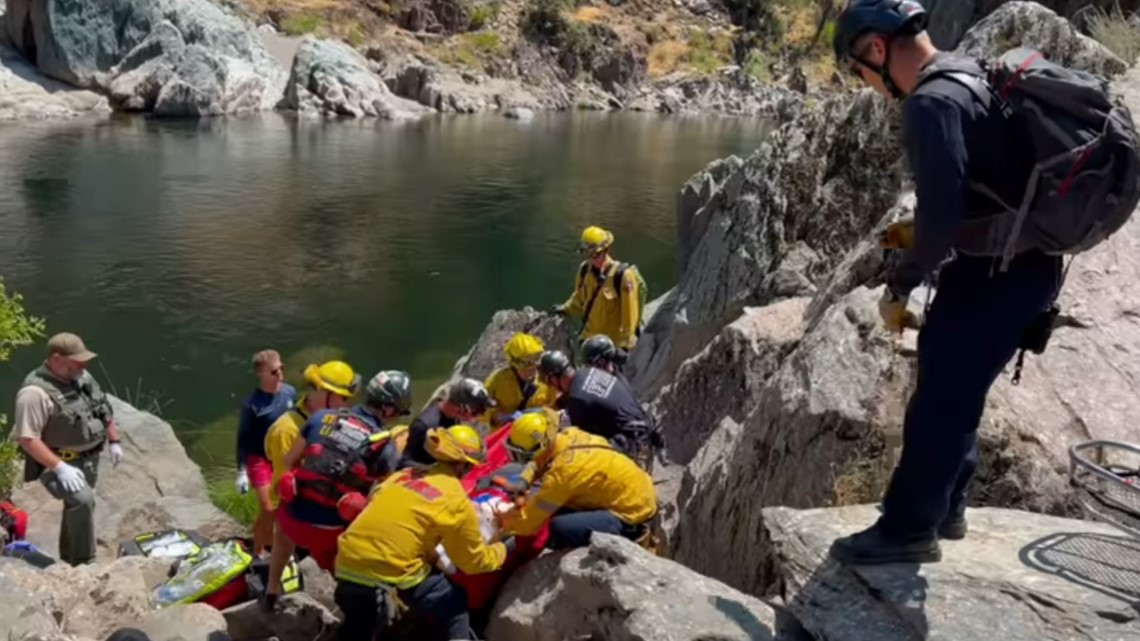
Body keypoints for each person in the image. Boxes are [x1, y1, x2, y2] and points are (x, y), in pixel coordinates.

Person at [828, 0, 1062, 565]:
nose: (865, 82)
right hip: (1026, 267)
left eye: (858, 68)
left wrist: (899, 285)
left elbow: (942, 218)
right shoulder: (970, 72)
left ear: (877, 50)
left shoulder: (930, 103)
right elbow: (984, 182)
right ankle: (950, 506)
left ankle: (908, 529)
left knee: (938, 401)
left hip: (995, 274)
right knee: (957, 383)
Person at [334, 425, 511, 641]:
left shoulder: (403, 475)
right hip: (390, 570)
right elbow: (472, 561)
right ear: (465, 464)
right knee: (454, 602)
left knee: (357, 626)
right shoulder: (454, 498)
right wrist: (502, 549)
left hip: (347, 562)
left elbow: (382, 508)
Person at [263, 370, 414, 607]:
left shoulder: (321, 418)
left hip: (292, 523)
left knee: (283, 522)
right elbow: (383, 497)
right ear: (390, 410)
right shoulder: (384, 445)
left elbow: (289, 462)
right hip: (330, 535)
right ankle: (346, 604)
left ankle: (272, 590)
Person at [10, 333, 122, 566]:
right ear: (56, 359)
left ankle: (69, 557)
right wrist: (60, 468)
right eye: (77, 361)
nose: (84, 365)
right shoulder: (34, 394)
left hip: (89, 458)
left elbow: (102, 407)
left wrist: (114, 441)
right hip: (56, 462)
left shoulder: (82, 377)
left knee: (77, 508)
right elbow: (27, 438)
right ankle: (85, 563)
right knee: (82, 501)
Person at [500, 411, 656, 550]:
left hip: (633, 511)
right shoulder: (569, 435)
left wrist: (501, 523)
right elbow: (538, 460)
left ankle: (629, 534)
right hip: (639, 490)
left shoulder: (562, 475)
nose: (524, 461)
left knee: (557, 528)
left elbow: (529, 522)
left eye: (523, 456)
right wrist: (525, 478)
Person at [537, 350, 661, 467]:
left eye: (549, 382)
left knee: (573, 449)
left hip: (633, 446)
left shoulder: (578, 399)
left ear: (553, 378)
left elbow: (573, 433)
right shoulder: (589, 371)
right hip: (645, 430)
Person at [264, 360, 360, 509]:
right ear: (325, 394)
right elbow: (283, 483)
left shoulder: (334, 419)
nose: (347, 405)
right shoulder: (287, 430)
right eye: (344, 398)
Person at [234, 349, 296, 558]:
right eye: (274, 371)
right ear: (261, 374)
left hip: (280, 455)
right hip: (258, 458)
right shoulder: (252, 405)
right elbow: (242, 439)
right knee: (268, 507)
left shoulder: (289, 393)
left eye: (281, 369)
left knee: (282, 507)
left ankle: (264, 538)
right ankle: (258, 552)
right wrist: (241, 471)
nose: (280, 375)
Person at [550, 226, 644, 353]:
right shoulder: (584, 270)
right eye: (587, 254)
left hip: (610, 347)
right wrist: (566, 308)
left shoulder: (623, 276)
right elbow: (579, 297)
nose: (590, 259)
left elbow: (630, 315)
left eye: (594, 254)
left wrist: (625, 346)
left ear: (606, 250)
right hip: (588, 341)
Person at [401, 378, 495, 467]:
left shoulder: (455, 418)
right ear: (462, 408)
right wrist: (434, 469)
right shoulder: (424, 425)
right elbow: (404, 462)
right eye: (476, 412)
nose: (478, 417)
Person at [483, 333, 559, 427]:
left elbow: (555, 406)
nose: (531, 369)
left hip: (539, 429)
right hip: (506, 432)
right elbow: (481, 411)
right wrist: (502, 416)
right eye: (526, 365)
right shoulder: (496, 381)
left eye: (535, 360)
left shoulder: (546, 379)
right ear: (514, 364)